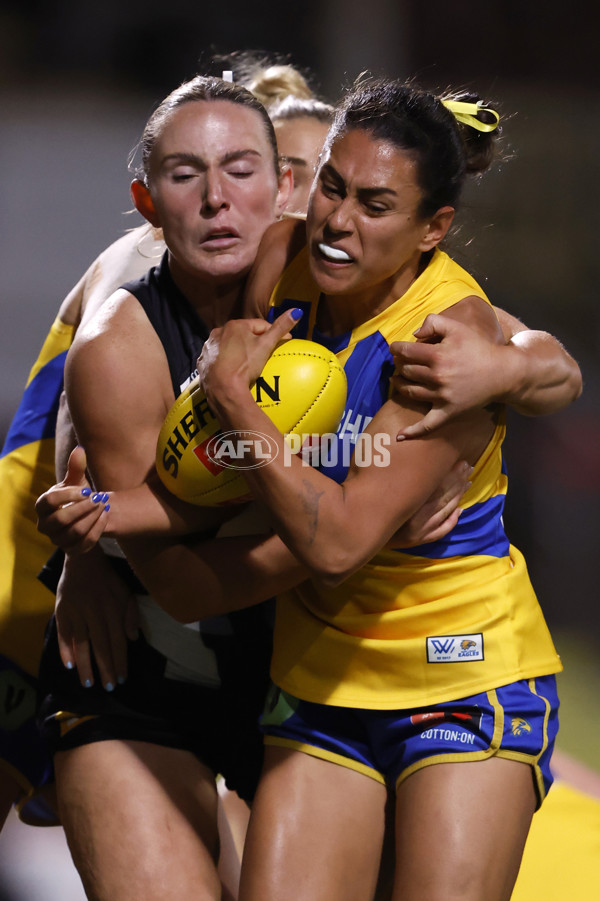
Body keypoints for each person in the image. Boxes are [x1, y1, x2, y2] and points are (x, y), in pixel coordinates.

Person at [37, 79, 583, 901]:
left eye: (375, 204)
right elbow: (223, 485)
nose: (337, 221)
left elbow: (333, 542)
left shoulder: (446, 341)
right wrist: (103, 522)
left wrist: (229, 401)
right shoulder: (271, 261)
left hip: (459, 673)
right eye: (331, 185)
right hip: (316, 678)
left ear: (433, 229)